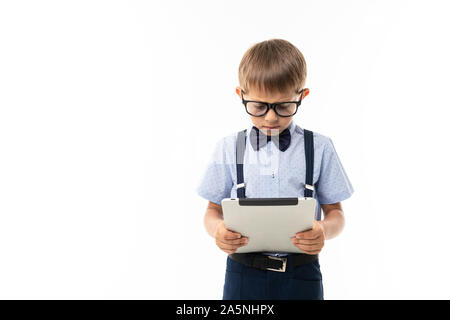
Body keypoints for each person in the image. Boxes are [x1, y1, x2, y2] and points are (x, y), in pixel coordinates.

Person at [196, 38, 354, 300]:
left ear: (301, 96)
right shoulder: (228, 147)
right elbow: (211, 212)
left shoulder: (320, 147)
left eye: (283, 106)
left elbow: (336, 213)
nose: (270, 118)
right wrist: (218, 231)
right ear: (241, 95)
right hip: (243, 275)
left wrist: (324, 231)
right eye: (258, 106)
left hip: (302, 275)